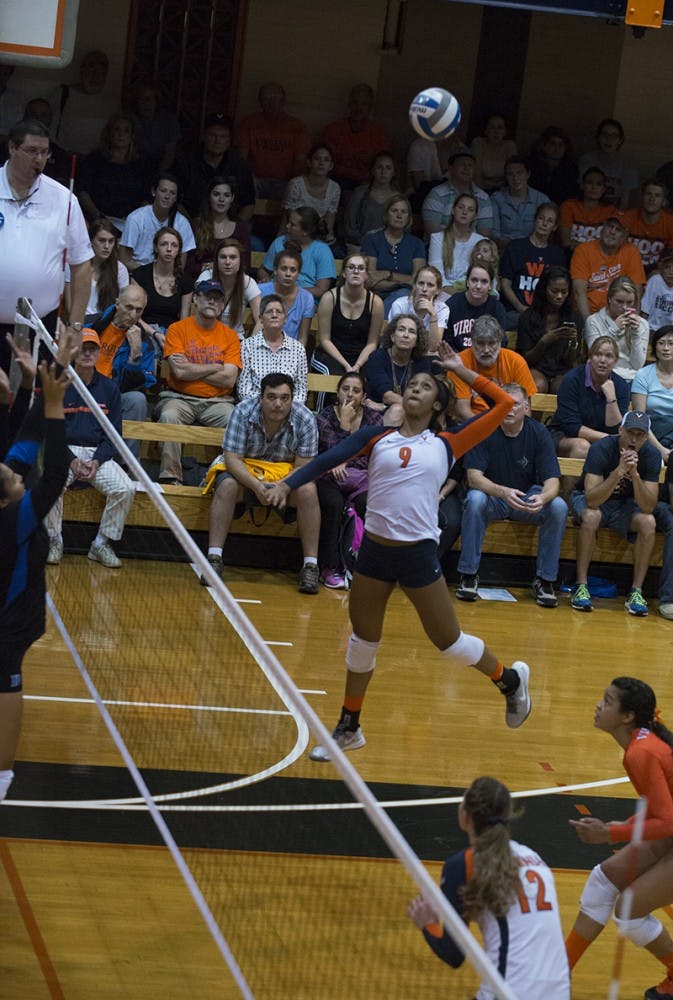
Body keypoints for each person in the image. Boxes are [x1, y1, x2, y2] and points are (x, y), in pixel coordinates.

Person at [265, 344, 532, 761]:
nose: (415, 390)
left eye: (426, 387)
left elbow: (503, 403)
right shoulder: (377, 437)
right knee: (361, 642)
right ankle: (349, 727)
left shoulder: (449, 442)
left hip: (418, 556)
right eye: (412, 385)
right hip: (373, 554)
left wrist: (460, 370)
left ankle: (510, 680)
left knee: (449, 643)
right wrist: (288, 483)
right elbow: (328, 458)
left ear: (438, 402)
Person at [408, 776, 569, 1000]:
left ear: (465, 816)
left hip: (509, 993)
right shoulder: (535, 858)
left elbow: (454, 954)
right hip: (559, 991)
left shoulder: (464, 864)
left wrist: (427, 923)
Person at [566, 677, 673, 1000]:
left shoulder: (641, 753)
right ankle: (555, 972)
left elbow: (667, 820)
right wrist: (624, 823)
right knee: (604, 880)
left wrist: (610, 833)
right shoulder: (640, 745)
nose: (599, 705)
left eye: (608, 701)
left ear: (628, 717)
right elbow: (663, 809)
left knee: (629, 911)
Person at [0, 359, 71, 805]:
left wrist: (38, 382)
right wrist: (55, 403)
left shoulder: (8, 496)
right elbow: (58, 469)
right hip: (11, 617)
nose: (18, 473)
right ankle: (2, 777)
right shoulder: (16, 520)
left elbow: (25, 441)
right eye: (12, 478)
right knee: (6, 685)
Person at [202, 372, 320, 594]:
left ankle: (310, 565)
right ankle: (214, 558)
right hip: (246, 475)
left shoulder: (305, 418)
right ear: (261, 398)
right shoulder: (242, 412)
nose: (278, 404)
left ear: (292, 399)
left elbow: (304, 466)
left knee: (309, 490)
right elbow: (232, 460)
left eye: (285, 398)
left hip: (285, 479)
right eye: (272, 397)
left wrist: (281, 487)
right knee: (226, 485)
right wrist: (257, 486)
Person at [456, 382, 567, 607]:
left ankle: (545, 580)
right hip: (494, 497)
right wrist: (502, 491)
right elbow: (474, 478)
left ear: (526, 407)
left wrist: (543, 498)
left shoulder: (538, 432)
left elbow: (553, 481)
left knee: (559, 506)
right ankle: (468, 575)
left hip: (526, 499)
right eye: (503, 403)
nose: (509, 409)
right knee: (475, 499)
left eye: (515, 404)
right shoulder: (483, 428)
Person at [0, 119, 93, 373]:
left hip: (40, 327)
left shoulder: (63, 199)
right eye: (31, 151)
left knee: (31, 408)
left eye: (44, 152)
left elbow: (82, 266)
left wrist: (76, 326)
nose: (39, 159)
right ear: (12, 148)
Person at [45, 330, 136, 569]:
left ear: (98, 353)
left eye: (92, 348)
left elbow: (113, 435)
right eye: (82, 348)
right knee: (49, 481)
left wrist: (96, 461)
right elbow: (50, 433)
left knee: (125, 488)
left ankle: (101, 543)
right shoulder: (59, 384)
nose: (87, 353)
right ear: (73, 352)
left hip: (98, 455)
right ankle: (54, 540)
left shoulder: (109, 389)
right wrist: (72, 460)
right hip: (64, 454)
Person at [568, 410, 673, 616]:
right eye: (630, 433)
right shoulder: (602, 448)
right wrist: (618, 472)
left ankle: (636, 591)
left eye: (640, 435)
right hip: (593, 499)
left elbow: (648, 507)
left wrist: (634, 475)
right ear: (620, 430)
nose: (634, 439)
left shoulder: (650, 455)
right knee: (591, 515)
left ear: (646, 436)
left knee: (648, 522)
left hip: (625, 505)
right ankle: (581, 585)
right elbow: (592, 499)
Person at [155, 280, 242, 485]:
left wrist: (190, 368)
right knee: (169, 416)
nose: (212, 301)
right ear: (195, 298)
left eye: (218, 299)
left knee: (235, 420)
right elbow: (179, 371)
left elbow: (229, 378)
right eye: (207, 296)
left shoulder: (230, 337)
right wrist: (214, 367)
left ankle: (222, 477)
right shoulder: (177, 330)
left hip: (218, 402)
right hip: (180, 398)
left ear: (222, 305)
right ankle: (171, 478)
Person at [314, 372, 382, 589]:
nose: (350, 394)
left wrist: (348, 460)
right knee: (333, 504)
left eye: (356, 390)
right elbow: (332, 455)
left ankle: (363, 568)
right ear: (337, 392)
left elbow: (374, 455)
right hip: (328, 477)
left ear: (363, 396)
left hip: (362, 478)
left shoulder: (374, 419)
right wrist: (344, 424)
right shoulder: (324, 417)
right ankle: (329, 567)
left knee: (369, 503)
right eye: (345, 389)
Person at [548, 335, 630, 460]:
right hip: (563, 435)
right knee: (582, 447)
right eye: (598, 354)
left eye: (608, 356)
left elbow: (615, 429)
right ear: (590, 358)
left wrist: (611, 399)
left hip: (602, 437)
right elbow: (571, 427)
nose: (603, 360)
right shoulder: (572, 380)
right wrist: (608, 439)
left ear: (615, 361)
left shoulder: (621, 385)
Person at [448, 316, 535, 422]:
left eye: (491, 343)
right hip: (472, 425)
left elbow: (526, 410)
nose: (486, 350)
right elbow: (463, 412)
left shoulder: (516, 362)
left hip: (508, 424)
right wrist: (490, 431)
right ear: (472, 341)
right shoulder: (459, 364)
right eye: (480, 343)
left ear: (499, 342)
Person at [310, 253, 384, 378]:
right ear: (344, 273)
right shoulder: (329, 298)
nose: (356, 271)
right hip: (330, 354)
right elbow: (324, 340)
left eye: (361, 268)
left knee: (367, 377)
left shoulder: (376, 302)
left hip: (361, 356)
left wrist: (357, 366)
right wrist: (346, 366)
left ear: (366, 275)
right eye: (351, 267)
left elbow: (372, 343)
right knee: (331, 375)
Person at [235, 82, 311, 199]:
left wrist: (294, 183)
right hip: (256, 180)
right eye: (266, 98)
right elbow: (241, 157)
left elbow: (300, 162)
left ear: (283, 100)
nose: (272, 103)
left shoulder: (297, 126)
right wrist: (248, 177)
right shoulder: (249, 123)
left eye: (276, 98)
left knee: (297, 190)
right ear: (260, 101)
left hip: (284, 182)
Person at [173, 112, 255, 221]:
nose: (217, 140)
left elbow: (249, 204)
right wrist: (189, 225)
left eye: (223, 136)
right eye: (212, 135)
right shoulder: (185, 162)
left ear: (229, 140)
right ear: (204, 136)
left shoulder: (239, 166)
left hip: (228, 228)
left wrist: (235, 228)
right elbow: (173, 198)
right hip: (190, 225)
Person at [76, 113, 151, 230]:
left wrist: (135, 219)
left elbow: (147, 196)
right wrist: (97, 215)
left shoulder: (141, 164)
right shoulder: (94, 159)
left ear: (132, 136)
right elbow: (82, 191)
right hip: (98, 221)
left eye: (126, 131)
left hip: (131, 224)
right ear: (109, 133)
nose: (121, 134)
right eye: (117, 129)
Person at [516, 265, 582, 393]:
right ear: (544, 289)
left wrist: (573, 343)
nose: (559, 296)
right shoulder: (528, 317)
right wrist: (544, 342)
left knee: (564, 388)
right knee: (538, 385)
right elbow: (524, 360)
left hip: (562, 370)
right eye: (554, 291)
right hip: (535, 367)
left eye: (564, 292)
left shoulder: (574, 318)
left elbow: (573, 361)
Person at [499, 202, 566, 330]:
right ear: (535, 220)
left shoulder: (557, 254)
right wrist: (520, 308)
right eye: (541, 218)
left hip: (546, 315)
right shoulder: (515, 247)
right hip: (515, 312)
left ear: (555, 226)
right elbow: (505, 284)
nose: (544, 223)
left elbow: (559, 290)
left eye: (550, 221)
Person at [571, 216, 646, 321]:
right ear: (602, 228)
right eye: (610, 226)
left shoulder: (631, 251)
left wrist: (632, 322)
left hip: (617, 316)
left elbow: (636, 292)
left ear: (625, 236)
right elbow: (579, 292)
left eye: (618, 229)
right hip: (588, 314)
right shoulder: (583, 250)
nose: (612, 232)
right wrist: (589, 324)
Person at [238, 294, 308, 404]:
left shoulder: (298, 349)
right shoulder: (247, 346)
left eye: (279, 312)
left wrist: (285, 407)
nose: (274, 315)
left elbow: (301, 390)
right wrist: (268, 405)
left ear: (285, 318)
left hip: (289, 410)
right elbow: (244, 390)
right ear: (260, 319)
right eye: (269, 311)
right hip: (255, 409)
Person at [320, 83, 391, 190]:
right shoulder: (333, 130)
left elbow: (383, 167)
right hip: (335, 183)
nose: (358, 108)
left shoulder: (379, 134)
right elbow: (324, 164)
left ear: (370, 107)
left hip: (367, 185)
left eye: (364, 104)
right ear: (349, 104)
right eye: (355, 103)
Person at [119, 172, 196, 270]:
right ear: (153, 192)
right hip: (138, 273)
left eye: (172, 193)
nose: (167, 196)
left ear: (176, 198)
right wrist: (152, 274)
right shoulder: (136, 218)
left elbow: (180, 265)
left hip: (168, 276)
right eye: (163, 191)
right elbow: (124, 260)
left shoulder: (182, 223)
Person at [360, 195, 426, 309]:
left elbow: (417, 281)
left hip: (405, 296)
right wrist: (402, 283)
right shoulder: (372, 240)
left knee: (402, 297)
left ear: (409, 217)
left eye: (403, 212)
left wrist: (387, 274)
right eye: (394, 211)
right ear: (386, 215)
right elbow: (370, 280)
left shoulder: (417, 244)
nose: (399, 215)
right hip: (373, 294)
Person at [130, 227, 194, 342]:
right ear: (156, 247)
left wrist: (173, 340)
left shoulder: (185, 281)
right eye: (164, 244)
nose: (169, 249)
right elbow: (133, 316)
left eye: (174, 245)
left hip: (172, 334)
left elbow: (184, 321)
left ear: (178, 250)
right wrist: (155, 334)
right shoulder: (140, 275)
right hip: (143, 331)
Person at [259, 207, 336, 300]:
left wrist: (290, 291)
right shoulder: (279, 242)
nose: (287, 226)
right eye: (288, 222)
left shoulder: (322, 250)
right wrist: (265, 279)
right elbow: (264, 270)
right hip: (275, 298)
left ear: (305, 232)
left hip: (305, 300)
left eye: (292, 225)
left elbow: (320, 290)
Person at [363, 314, 433, 417]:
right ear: (392, 337)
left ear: (417, 342)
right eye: (401, 329)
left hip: (409, 416)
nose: (406, 335)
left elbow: (421, 400)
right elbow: (387, 396)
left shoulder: (422, 363)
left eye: (412, 331)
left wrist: (383, 407)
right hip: (374, 415)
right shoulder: (377, 357)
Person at [584, 275, 649, 382]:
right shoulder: (593, 321)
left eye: (629, 302)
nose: (624, 307)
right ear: (609, 298)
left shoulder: (642, 324)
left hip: (632, 379)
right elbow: (595, 357)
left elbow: (637, 365)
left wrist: (636, 334)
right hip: (602, 376)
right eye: (619, 301)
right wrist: (614, 329)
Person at [65, 217, 128, 325]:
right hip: (79, 324)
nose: (107, 246)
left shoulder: (120, 269)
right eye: (102, 240)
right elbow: (70, 306)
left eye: (111, 241)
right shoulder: (74, 265)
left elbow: (124, 305)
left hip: (106, 325)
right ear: (91, 241)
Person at [53, 50, 116, 156]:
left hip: (97, 161)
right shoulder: (62, 94)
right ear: (82, 70)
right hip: (65, 158)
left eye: (101, 72)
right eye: (91, 69)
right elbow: (49, 130)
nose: (95, 76)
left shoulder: (112, 103)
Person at [422, 146, 493, 238]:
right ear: (451, 168)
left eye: (470, 165)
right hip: (441, 248)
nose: (466, 168)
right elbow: (433, 234)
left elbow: (484, 235)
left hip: (473, 249)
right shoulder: (436, 194)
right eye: (462, 164)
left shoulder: (483, 197)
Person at [197, 238, 260, 339]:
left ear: (240, 261)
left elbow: (260, 319)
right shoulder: (206, 276)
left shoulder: (248, 282)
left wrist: (250, 345)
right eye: (223, 257)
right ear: (216, 260)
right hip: (206, 337)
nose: (227, 262)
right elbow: (199, 309)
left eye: (233, 257)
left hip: (235, 340)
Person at [282, 144, 341, 248]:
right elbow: (291, 218)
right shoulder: (295, 184)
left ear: (331, 166)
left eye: (326, 160)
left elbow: (329, 224)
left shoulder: (335, 188)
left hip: (319, 236)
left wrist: (324, 237)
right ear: (309, 162)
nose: (321, 163)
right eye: (317, 159)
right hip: (293, 233)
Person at [191, 176, 251, 278]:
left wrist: (219, 267)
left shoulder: (241, 228)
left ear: (232, 198)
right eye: (216, 194)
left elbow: (245, 265)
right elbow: (188, 264)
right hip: (201, 280)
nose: (221, 199)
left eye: (226, 195)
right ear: (209, 197)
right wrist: (203, 268)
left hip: (232, 281)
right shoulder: (196, 226)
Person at [257, 247, 315, 347]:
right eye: (284, 269)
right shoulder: (260, 291)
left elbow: (302, 337)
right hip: (261, 349)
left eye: (293, 270)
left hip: (291, 353)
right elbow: (257, 324)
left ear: (298, 273)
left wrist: (296, 359)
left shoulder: (306, 298)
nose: (288, 274)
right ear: (275, 270)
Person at [632, 325, 673, 464]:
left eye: (671, 343)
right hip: (649, 435)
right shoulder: (643, 375)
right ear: (654, 347)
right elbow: (640, 418)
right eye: (661, 343)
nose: (666, 348)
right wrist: (660, 450)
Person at [444, 263, 507, 353]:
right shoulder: (452, 304)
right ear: (467, 282)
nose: (478, 286)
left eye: (484, 281)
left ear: (490, 285)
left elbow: (502, 342)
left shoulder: (497, 308)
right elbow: (446, 341)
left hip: (486, 359)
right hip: (457, 359)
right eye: (474, 280)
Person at [428, 193, 483, 295]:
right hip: (444, 292)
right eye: (461, 207)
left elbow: (486, 273)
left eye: (470, 210)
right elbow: (436, 274)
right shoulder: (437, 238)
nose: (464, 212)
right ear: (453, 210)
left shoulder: (480, 241)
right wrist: (458, 296)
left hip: (474, 294)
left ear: (475, 216)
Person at [343, 152, 400, 248]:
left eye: (388, 168)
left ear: (393, 172)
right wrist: (364, 241)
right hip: (360, 247)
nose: (383, 172)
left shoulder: (398, 199)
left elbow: (404, 229)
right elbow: (350, 227)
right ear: (372, 170)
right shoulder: (360, 193)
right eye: (379, 167)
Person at [577, 118, 638, 208]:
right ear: (598, 137)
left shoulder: (627, 163)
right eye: (604, 134)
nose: (608, 139)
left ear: (620, 140)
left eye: (614, 136)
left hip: (614, 211)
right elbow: (581, 191)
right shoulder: (587, 160)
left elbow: (625, 198)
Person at [490, 155, 548, 248]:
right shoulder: (497, 198)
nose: (515, 178)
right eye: (510, 174)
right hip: (505, 250)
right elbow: (494, 232)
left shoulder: (541, 200)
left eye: (520, 173)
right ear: (506, 176)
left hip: (533, 249)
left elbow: (546, 232)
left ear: (528, 174)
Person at [387, 266, 449, 352]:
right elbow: (395, 341)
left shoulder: (442, 309)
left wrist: (433, 315)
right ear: (414, 285)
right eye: (421, 283)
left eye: (430, 285)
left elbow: (433, 347)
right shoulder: (400, 305)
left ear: (438, 290)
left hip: (426, 356)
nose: (424, 289)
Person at [621, 178, 673, 272]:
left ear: (664, 202)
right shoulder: (627, 217)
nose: (652, 199)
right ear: (641, 197)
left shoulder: (670, 223)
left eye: (657, 196)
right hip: (626, 268)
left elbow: (668, 259)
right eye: (648, 194)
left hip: (655, 272)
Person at [128, 82, 181, 173]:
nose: (146, 103)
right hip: (134, 169)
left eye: (150, 99)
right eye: (142, 99)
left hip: (162, 169)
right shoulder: (129, 119)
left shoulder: (168, 120)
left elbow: (170, 153)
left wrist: (158, 176)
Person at [559, 166, 613, 250]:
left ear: (603, 189)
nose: (593, 187)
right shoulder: (569, 206)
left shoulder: (610, 211)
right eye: (589, 182)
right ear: (582, 186)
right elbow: (566, 242)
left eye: (598, 184)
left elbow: (611, 246)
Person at [527, 126, 579, 205]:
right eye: (552, 144)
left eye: (561, 144)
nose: (557, 148)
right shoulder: (532, 165)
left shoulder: (571, 169)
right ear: (544, 145)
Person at [470, 113, 518, 192]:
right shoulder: (478, 143)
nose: (496, 131)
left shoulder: (509, 146)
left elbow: (513, 173)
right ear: (486, 131)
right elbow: (475, 174)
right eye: (492, 127)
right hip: (480, 189)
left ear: (505, 131)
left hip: (504, 191)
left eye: (500, 127)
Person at [642, 248, 673, 332]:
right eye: (667, 267)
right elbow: (645, 310)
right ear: (660, 268)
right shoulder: (655, 280)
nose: (671, 272)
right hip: (651, 329)